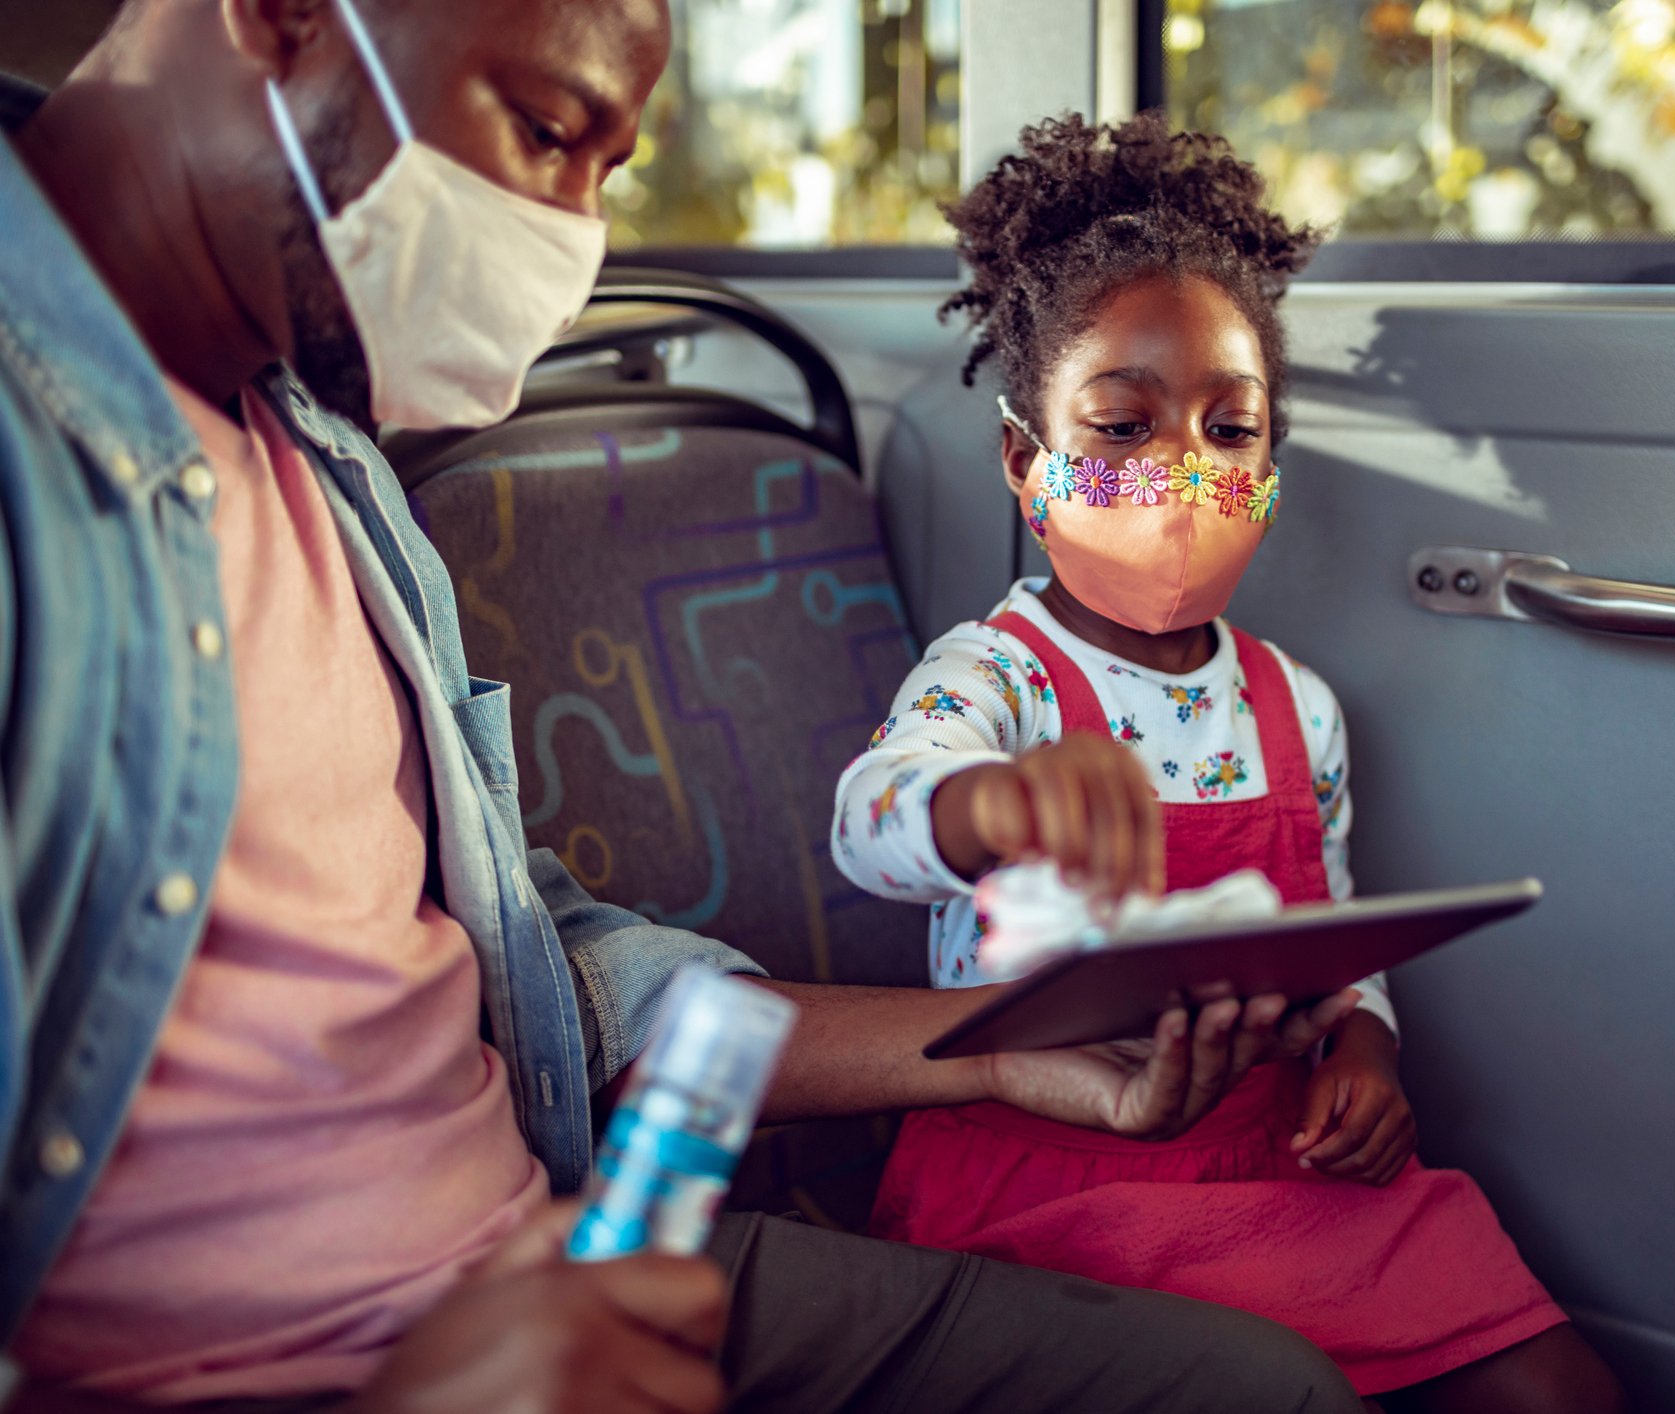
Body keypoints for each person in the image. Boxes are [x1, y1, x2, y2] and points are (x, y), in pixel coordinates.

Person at [0, 3, 1371, 1411]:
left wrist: (998, 1058)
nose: (569, 243)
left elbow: (534, 970)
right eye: (545, 134)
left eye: (609, 173)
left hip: (570, 1256)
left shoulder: (327, 469)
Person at [831, 115, 1628, 1414]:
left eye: (1228, 429)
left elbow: (1327, 936)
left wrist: (1363, 1047)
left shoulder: (1293, 706)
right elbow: (866, 819)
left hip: (1274, 1158)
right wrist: (988, 798)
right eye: (1123, 427)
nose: (1184, 474)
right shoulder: (998, 677)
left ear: (1269, 464)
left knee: (1559, 1388)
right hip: (1056, 1168)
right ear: (1026, 463)